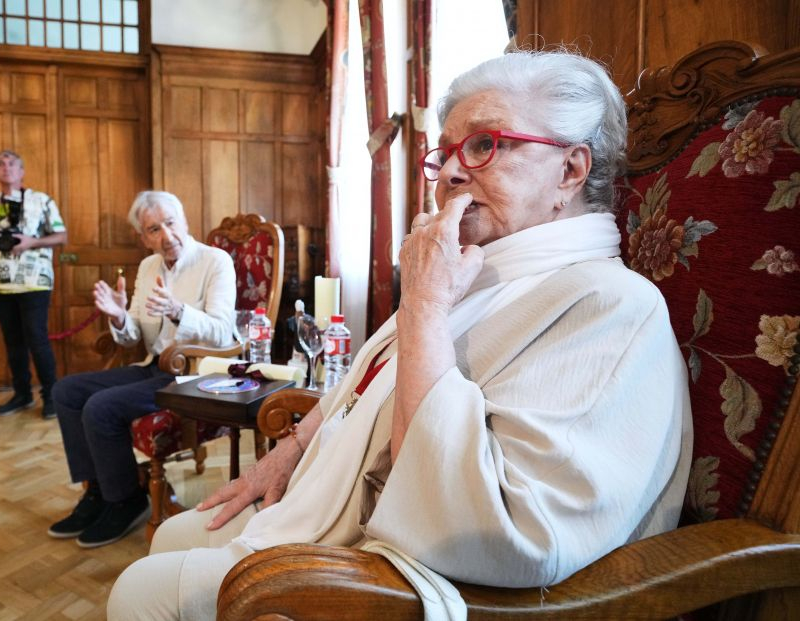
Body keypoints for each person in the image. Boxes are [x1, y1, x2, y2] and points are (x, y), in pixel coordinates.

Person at [108, 50, 693, 619]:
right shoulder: (481, 270)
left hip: (423, 568)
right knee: (175, 534)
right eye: (448, 153)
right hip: (349, 512)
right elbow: (368, 381)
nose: (453, 172)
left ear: (570, 169)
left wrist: (427, 303)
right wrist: (289, 451)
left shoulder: (609, 304)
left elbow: (499, 529)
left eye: (484, 145)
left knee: (141, 591)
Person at [48, 190, 236, 549]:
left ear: (184, 221)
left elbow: (223, 331)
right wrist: (120, 316)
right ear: (143, 238)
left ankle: (126, 500)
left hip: (196, 375)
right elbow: (133, 333)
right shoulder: (148, 267)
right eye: (154, 229)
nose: (166, 235)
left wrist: (178, 311)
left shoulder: (215, 261)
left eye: (170, 223)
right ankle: (97, 493)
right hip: (154, 366)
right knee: (66, 391)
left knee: (100, 407)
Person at [0, 150, 67, 420]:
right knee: (13, 342)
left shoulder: (42, 200)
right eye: (0, 164)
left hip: (35, 282)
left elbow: (61, 236)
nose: (6, 168)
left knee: (37, 338)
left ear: (22, 171)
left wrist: (32, 242)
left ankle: (51, 396)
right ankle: (22, 394)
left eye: (12, 164)